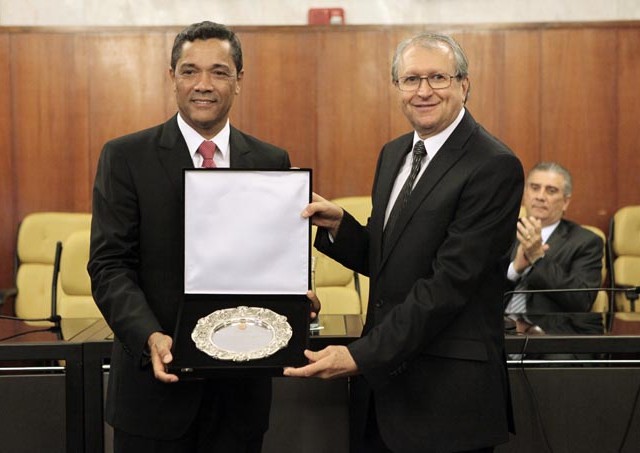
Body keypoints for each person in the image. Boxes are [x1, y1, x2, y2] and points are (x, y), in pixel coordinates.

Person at [284, 32, 523, 453]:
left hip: (445, 402)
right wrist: (342, 226)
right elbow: (390, 258)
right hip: (381, 395)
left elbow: (448, 285)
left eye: (438, 78)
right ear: (396, 87)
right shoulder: (394, 153)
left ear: (464, 84)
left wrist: (360, 355)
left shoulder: (493, 165)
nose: (424, 91)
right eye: (411, 79)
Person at [88, 21, 299, 452]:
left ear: (239, 80)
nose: (203, 85)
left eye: (219, 72)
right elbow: (110, 266)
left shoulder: (270, 160)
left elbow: (269, 261)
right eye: (190, 71)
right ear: (172, 78)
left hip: (240, 400)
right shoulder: (125, 157)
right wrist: (148, 335)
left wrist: (294, 293)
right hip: (153, 394)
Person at [504, 162, 604, 338]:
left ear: (565, 202)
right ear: (525, 193)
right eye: (534, 188)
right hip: (497, 332)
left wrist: (538, 258)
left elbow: (581, 301)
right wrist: (515, 269)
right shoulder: (501, 232)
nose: (540, 196)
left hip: (550, 336)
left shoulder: (586, 242)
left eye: (551, 191)